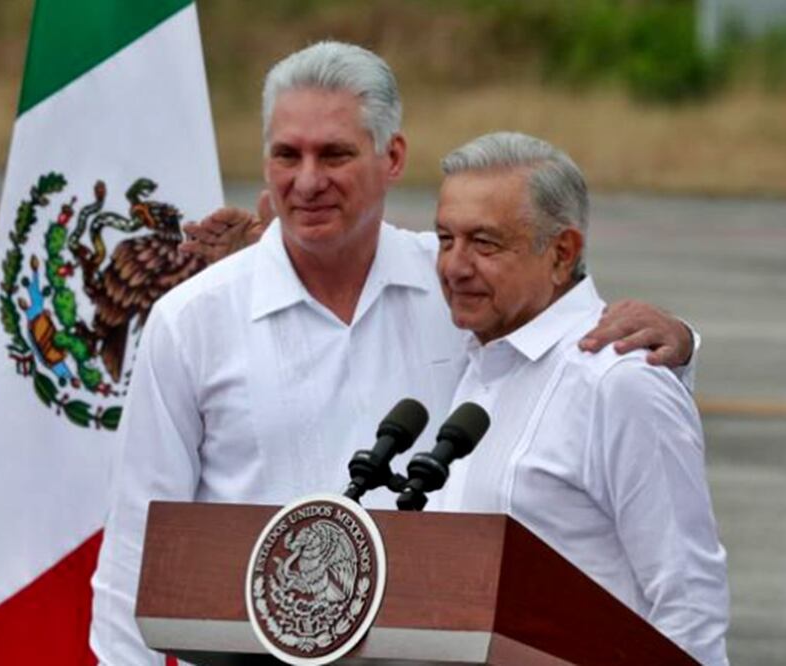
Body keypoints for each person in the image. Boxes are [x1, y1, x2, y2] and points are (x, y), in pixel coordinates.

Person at [90, 42, 698, 665]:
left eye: (335, 154)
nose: (307, 181)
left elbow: (566, 357)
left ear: (393, 157)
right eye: (286, 155)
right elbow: (137, 547)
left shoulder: (458, 288)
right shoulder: (193, 320)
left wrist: (678, 344)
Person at [432, 132, 729, 665]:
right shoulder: (475, 357)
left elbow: (688, 598)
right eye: (444, 239)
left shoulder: (619, 381)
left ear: (562, 253)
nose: (454, 266)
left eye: (484, 243)